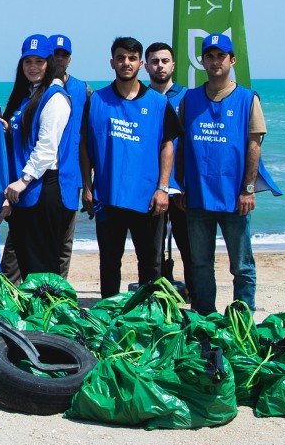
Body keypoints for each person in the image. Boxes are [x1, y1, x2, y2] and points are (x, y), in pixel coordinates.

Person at [176, 34, 280, 314]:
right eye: (209, 56)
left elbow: (254, 145)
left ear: (232, 60)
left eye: (220, 56)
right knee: (199, 264)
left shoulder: (248, 98)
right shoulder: (190, 99)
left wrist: (248, 189)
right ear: (202, 61)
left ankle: (243, 317)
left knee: (242, 265)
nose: (214, 61)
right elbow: (183, 145)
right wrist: (181, 186)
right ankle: (205, 316)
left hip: (234, 197)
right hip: (198, 196)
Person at [80, 37, 181, 298]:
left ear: (141, 64)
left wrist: (163, 189)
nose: (127, 62)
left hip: (147, 198)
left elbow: (167, 145)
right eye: (121, 57)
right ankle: (108, 313)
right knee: (110, 262)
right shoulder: (97, 101)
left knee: (150, 264)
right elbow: (85, 146)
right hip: (108, 197)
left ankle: (147, 315)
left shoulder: (159, 103)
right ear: (112, 62)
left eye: (133, 58)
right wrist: (88, 187)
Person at [4, 34, 81, 279]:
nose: (33, 67)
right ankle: (35, 314)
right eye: (28, 61)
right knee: (27, 263)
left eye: (40, 61)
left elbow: (47, 148)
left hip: (42, 187)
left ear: (50, 63)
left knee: (43, 266)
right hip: (24, 191)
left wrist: (23, 180)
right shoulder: (25, 96)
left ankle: (51, 315)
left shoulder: (55, 97)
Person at [145, 41, 192, 298]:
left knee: (188, 246)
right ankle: (157, 296)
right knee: (153, 248)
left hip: (181, 188)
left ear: (173, 64)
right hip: (152, 188)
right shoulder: (142, 97)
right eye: (154, 61)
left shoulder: (188, 97)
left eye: (164, 61)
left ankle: (195, 296)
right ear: (146, 66)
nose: (160, 66)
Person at [49, 33, 89, 278]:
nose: (59, 59)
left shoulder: (83, 89)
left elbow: (89, 133)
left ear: (69, 59)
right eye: (55, 54)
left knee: (65, 239)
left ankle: (60, 286)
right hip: (43, 173)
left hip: (71, 174)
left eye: (64, 55)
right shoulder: (37, 87)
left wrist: (89, 179)